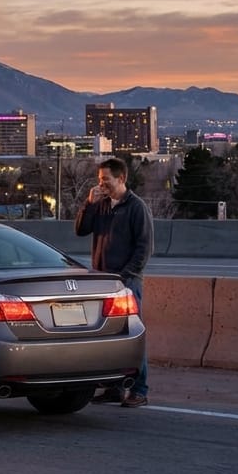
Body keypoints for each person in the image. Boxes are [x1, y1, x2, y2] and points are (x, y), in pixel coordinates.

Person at [75, 156, 152, 407]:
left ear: (121, 178)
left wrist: (125, 277)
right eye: (99, 180)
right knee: (107, 337)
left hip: (126, 283)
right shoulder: (101, 205)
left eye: (106, 179)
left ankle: (139, 389)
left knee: (131, 334)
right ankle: (114, 388)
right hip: (102, 281)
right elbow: (81, 229)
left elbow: (144, 248)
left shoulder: (136, 207)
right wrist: (89, 203)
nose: (102, 184)